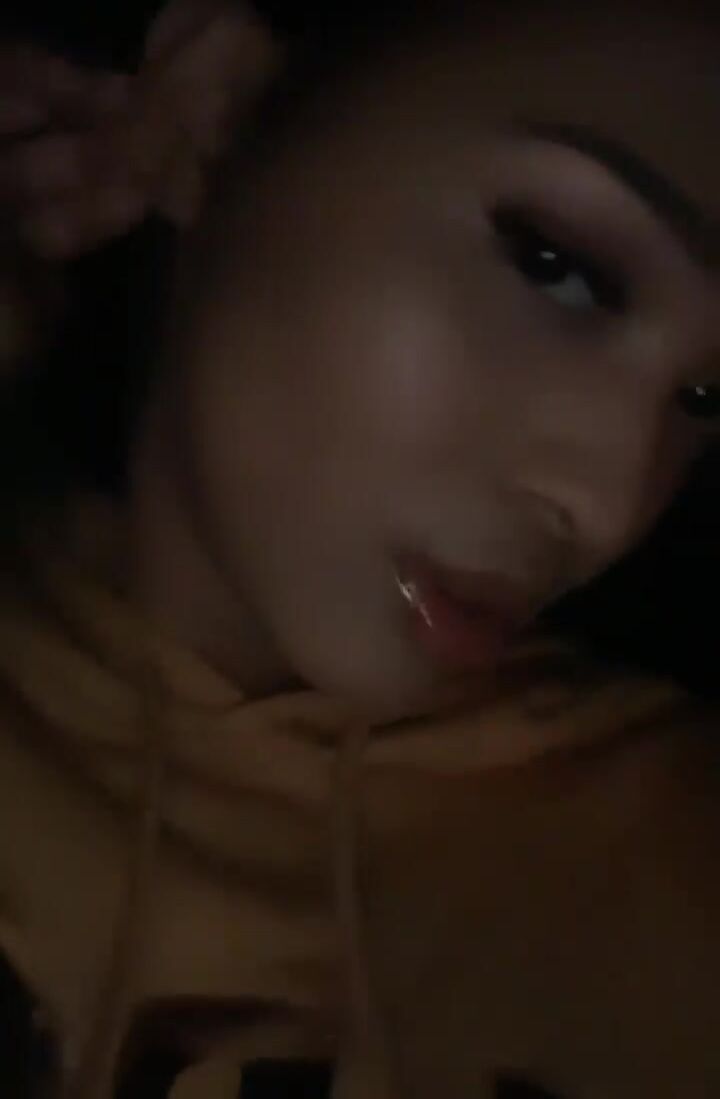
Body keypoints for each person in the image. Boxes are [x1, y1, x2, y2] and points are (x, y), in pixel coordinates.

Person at [0, 1, 718, 1096]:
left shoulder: (675, 857)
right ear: (217, 112)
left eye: (707, 397)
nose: (609, 503)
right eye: (557, 266)